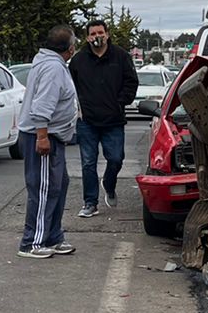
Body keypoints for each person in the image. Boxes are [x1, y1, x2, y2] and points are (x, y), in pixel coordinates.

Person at [16, 25, 81, 259]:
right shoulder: (53, 68)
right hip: (43, 136)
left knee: (58, 185)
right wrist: (42, 136)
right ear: (70, 48)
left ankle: (53, 236)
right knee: (44, 189)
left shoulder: (51, 63)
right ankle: (32, 242)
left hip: (52, 135)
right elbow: (42, 106)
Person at [69, 18, 140, 217]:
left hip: (113, 121)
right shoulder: (78, 60)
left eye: (100, 32)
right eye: (92, 34)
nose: (97, 37)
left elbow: (131, 82)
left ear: (107, 34)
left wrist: (120, 102)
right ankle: (90, 202)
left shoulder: (121, 57)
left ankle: (109, 183)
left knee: (116, 158)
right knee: (88, 163)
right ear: (87, 37)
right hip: (87, 121)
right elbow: (70, 87)